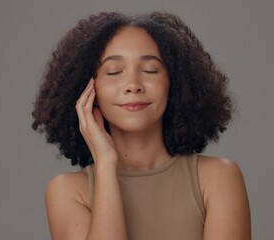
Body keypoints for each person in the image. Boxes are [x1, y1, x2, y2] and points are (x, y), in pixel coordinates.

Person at [32, 11, 250, 240]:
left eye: (150, 70)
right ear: (90, 91)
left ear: (173, 84)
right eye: (114, 72)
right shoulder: (68, 191)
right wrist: (106, 164)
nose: (133, 85)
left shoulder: (218, 178)